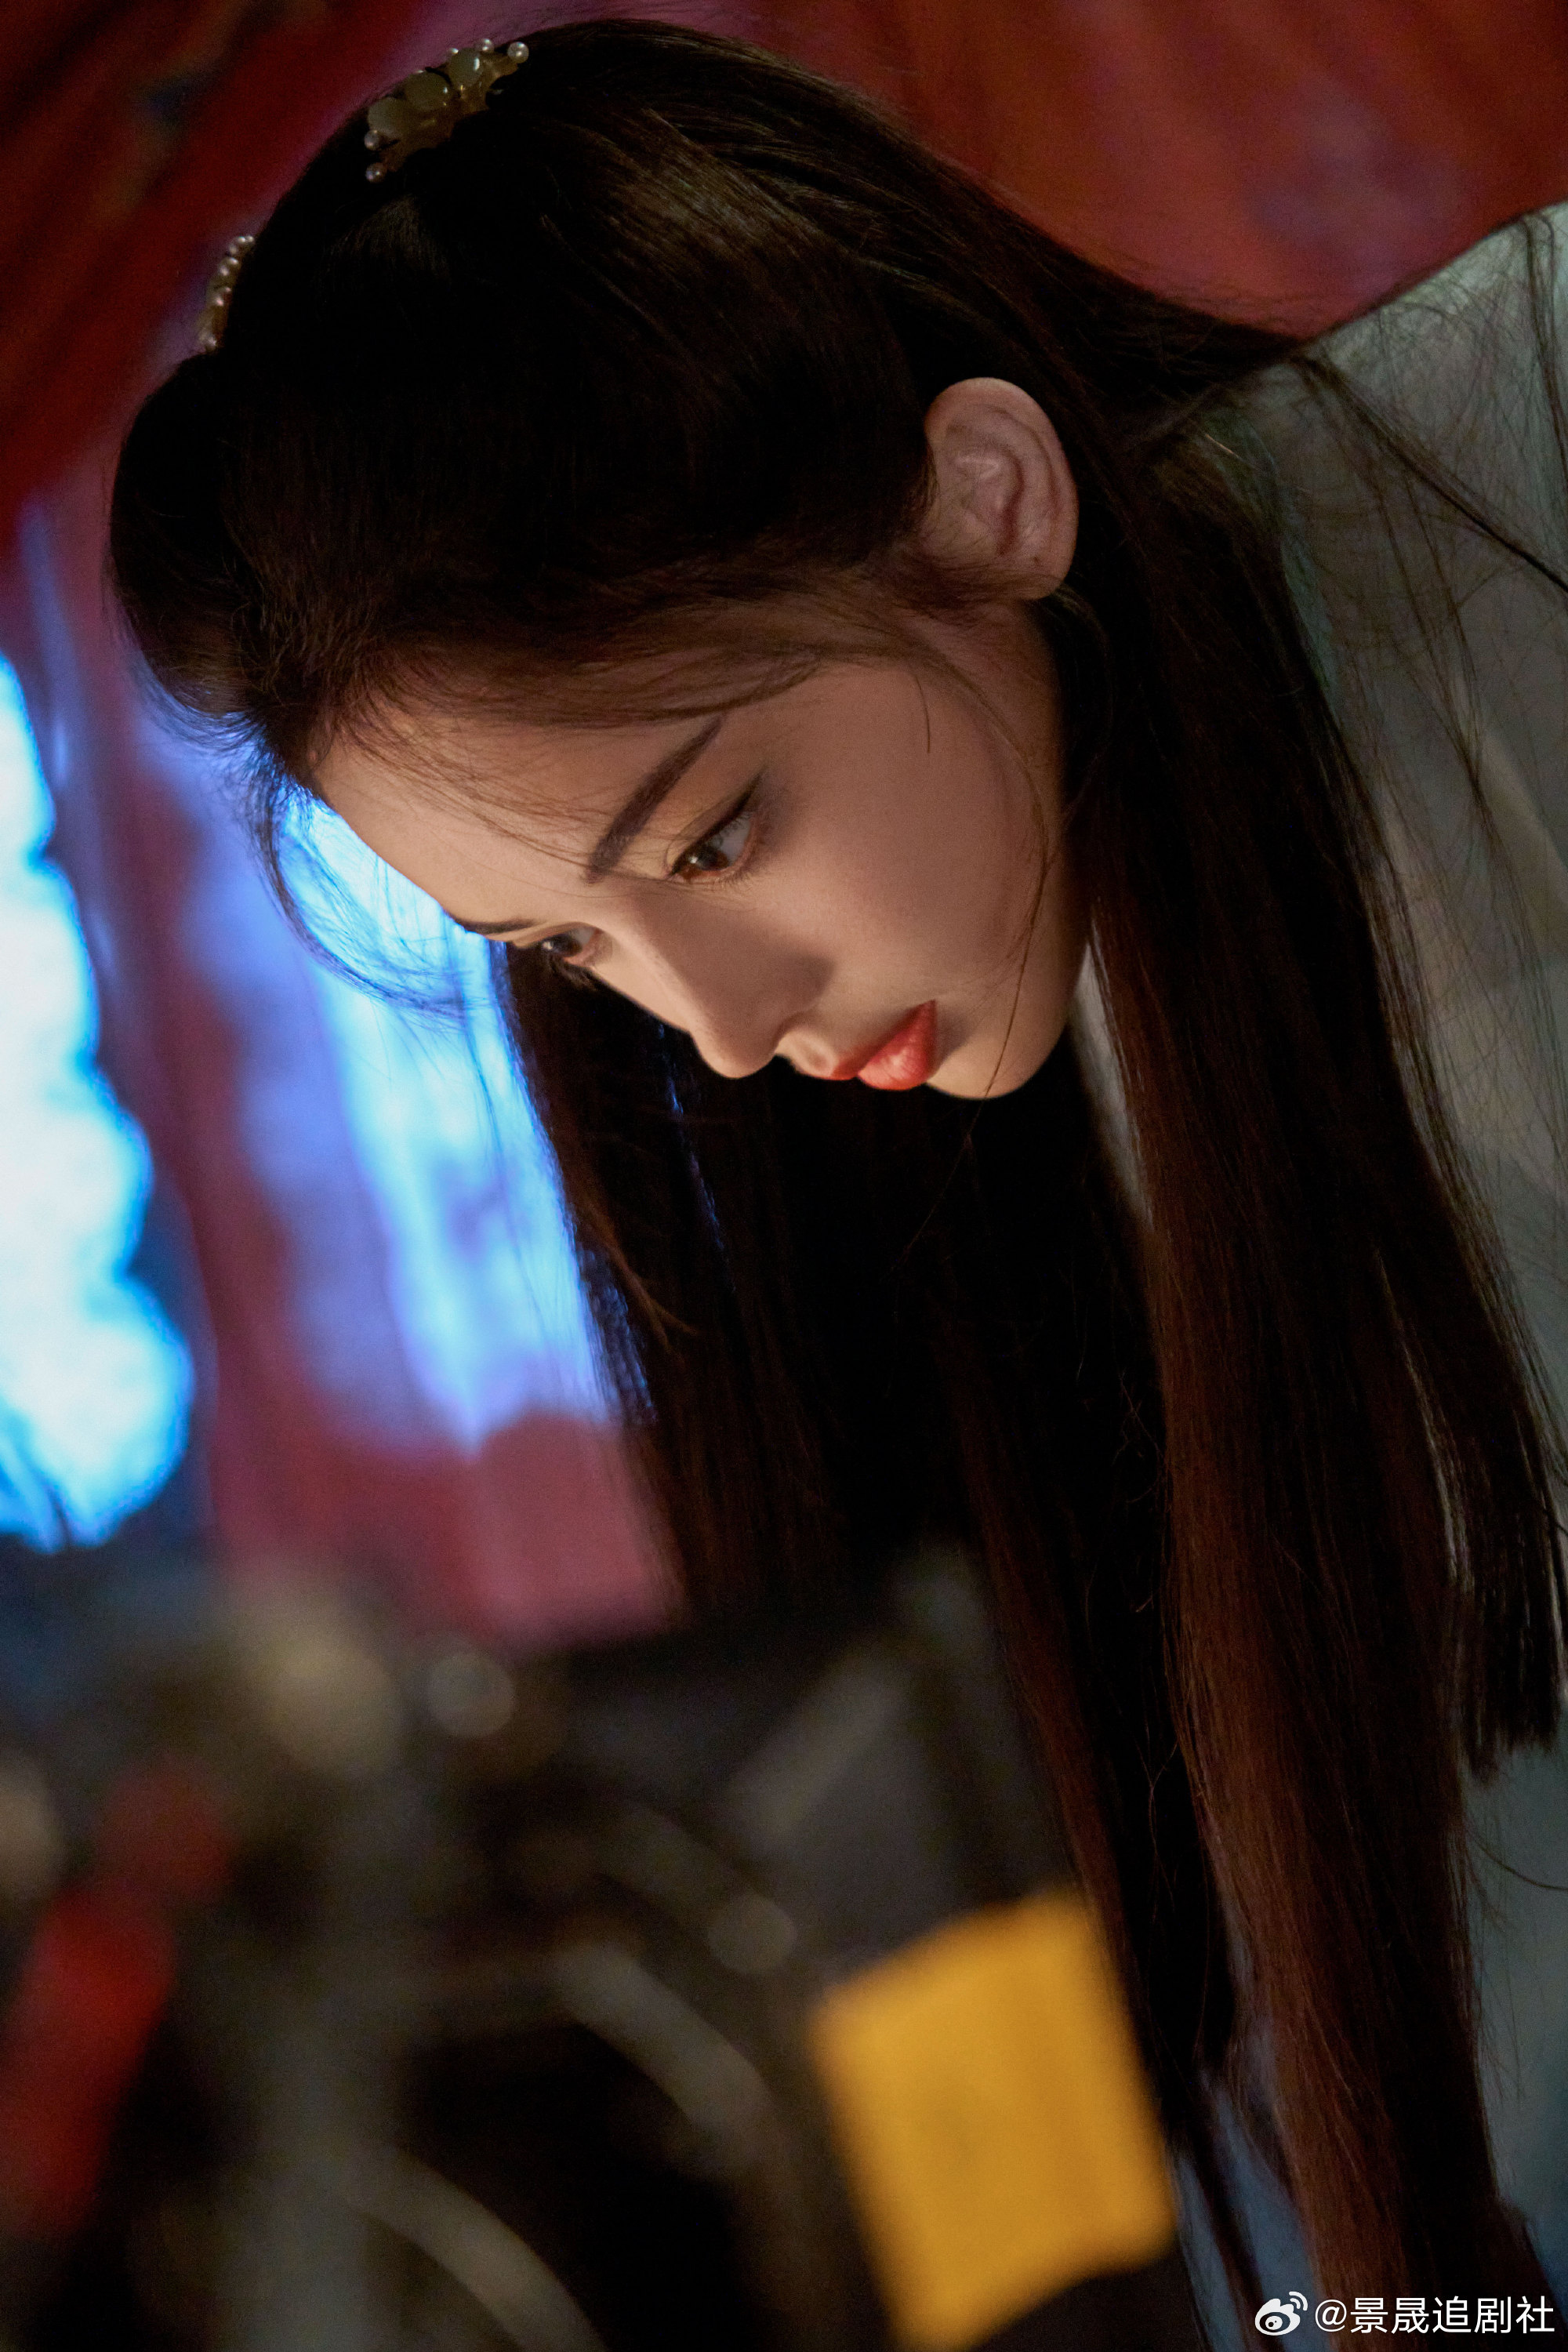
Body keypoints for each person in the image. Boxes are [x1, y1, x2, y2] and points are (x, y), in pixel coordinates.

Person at [107, 16, 1568, 2332]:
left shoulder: (1522, 462)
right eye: (569, 946)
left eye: (713, 838)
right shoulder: (922, 1173)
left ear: (984, 494)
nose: (713, 1025)